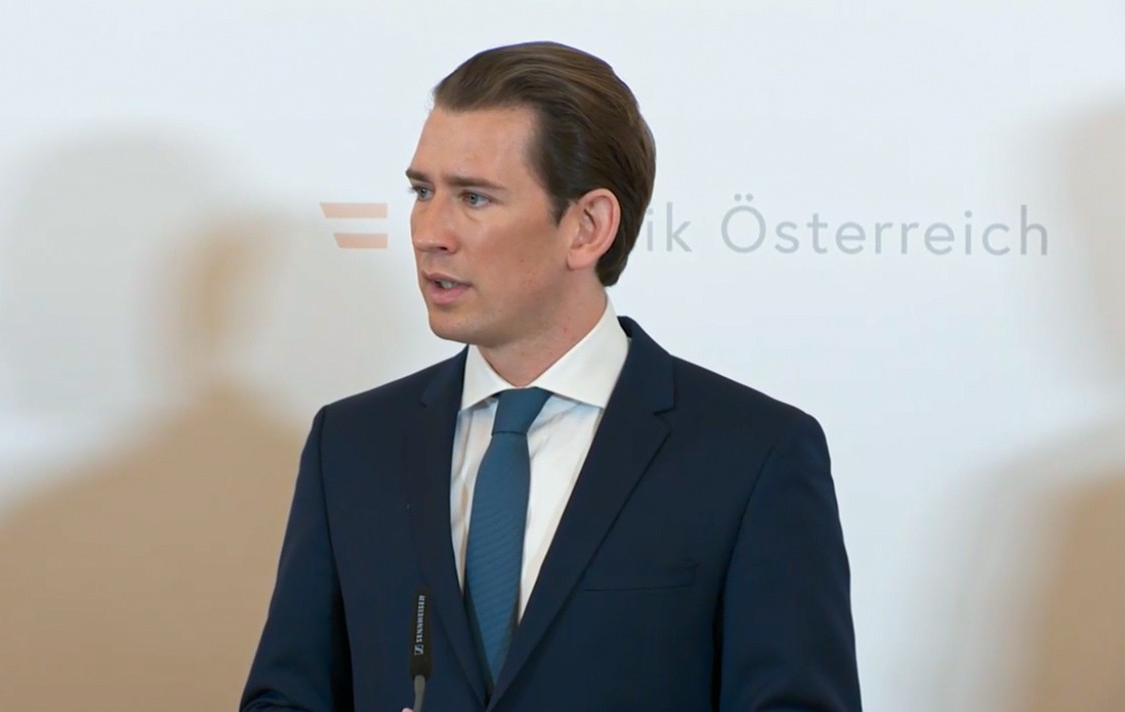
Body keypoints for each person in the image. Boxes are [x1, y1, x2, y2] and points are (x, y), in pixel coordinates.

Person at [241, 41, 861, 712]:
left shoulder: (753, 455)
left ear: (588, 227)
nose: (429, 232)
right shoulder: (351, 443)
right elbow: (287, 697)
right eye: (422, 191)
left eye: (474, 197)